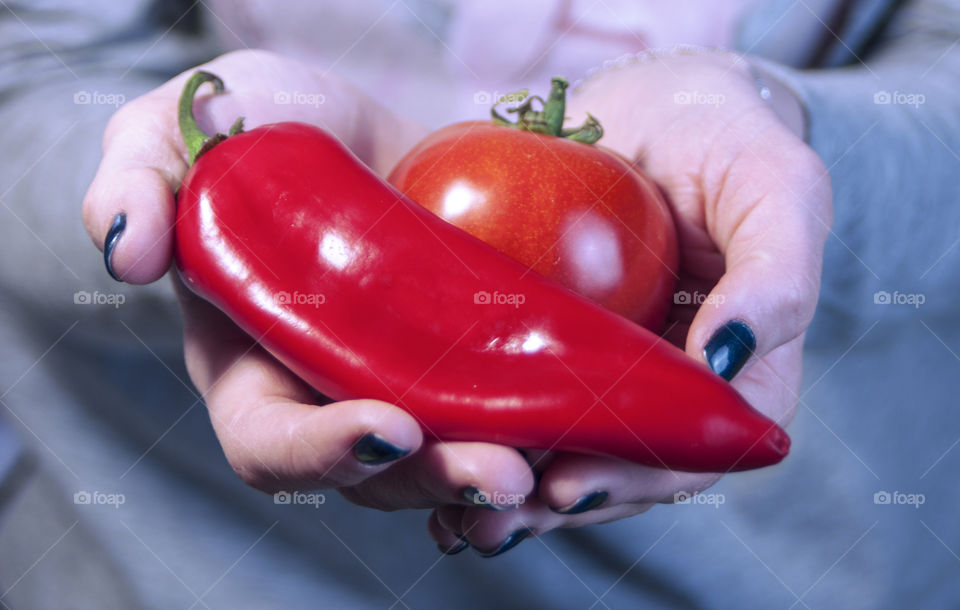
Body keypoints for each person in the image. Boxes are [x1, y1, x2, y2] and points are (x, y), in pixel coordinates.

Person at [2, 0, 958, 607]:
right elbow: (24, 75)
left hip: (799, 570)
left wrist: (793, 148)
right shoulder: (250, 171)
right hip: (167, 556)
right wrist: (175, 234)